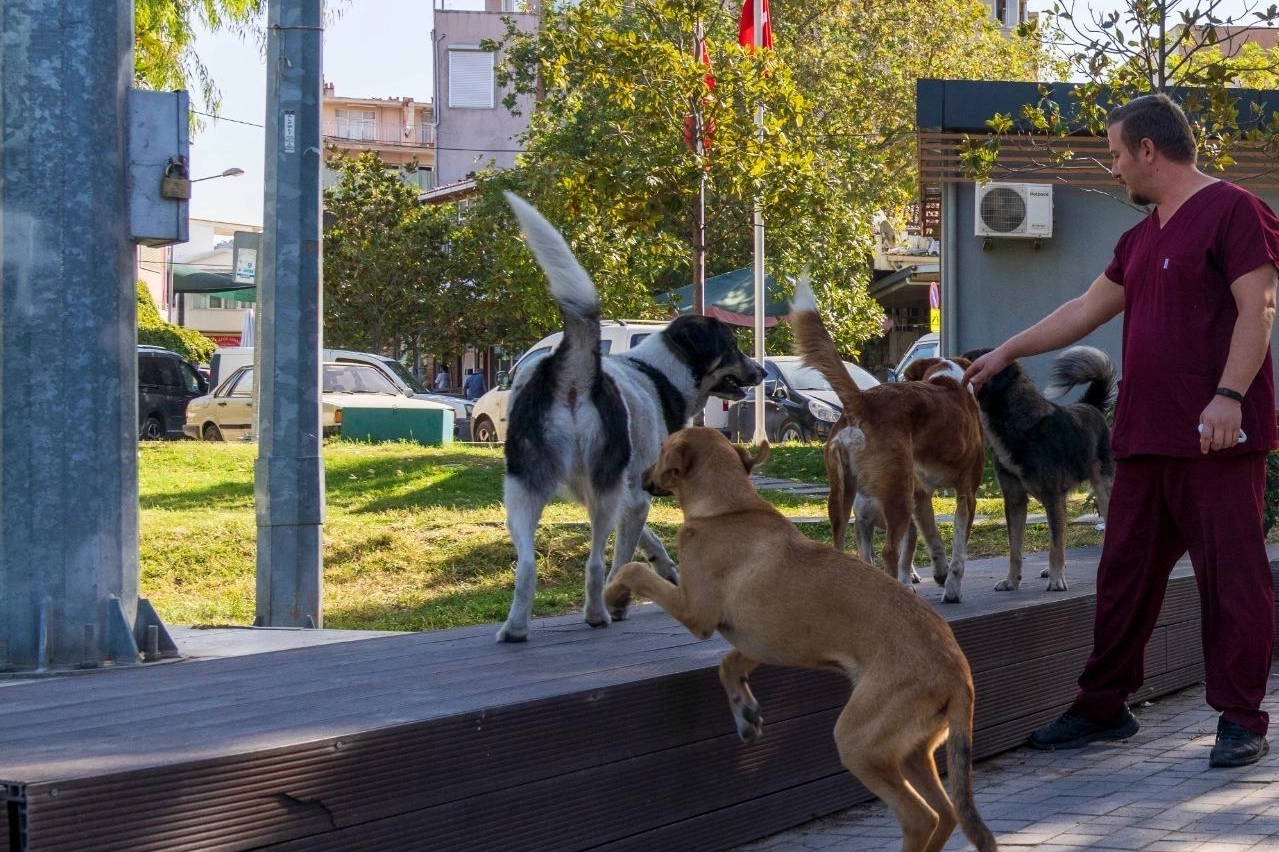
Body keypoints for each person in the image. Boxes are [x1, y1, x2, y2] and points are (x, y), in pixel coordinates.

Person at [964, 93, 1279, 768]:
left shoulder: (1235, 211)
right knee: (1121, 578)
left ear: (1147, 149)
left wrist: (1229, 396)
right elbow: (1083, 309)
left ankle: (1240, 718)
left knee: (1232, 580)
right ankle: (1103, 707)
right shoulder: (1138, 239)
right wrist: (1006, 352)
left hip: (1216, 439)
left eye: (1114, 154)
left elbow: (1258, 307)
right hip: (1141, 438)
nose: (1112, 169)